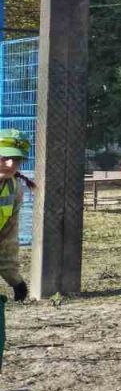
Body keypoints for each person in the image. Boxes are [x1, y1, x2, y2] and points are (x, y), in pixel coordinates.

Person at [0, 130, 33, 304]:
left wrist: (15, 281)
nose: (11, 164)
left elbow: (7, 238)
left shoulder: (14, 189)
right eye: (5, 157)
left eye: (17, 159)